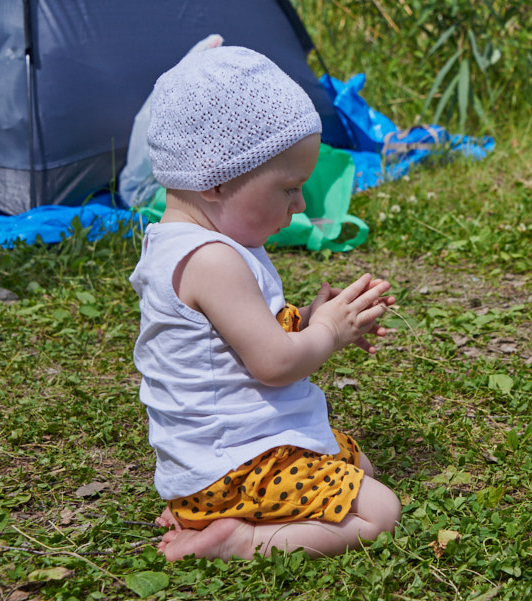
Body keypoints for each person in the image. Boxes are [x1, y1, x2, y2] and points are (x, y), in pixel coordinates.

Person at [129, 46, 401, 562]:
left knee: (358, 466)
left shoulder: (188, 244)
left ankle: (203, 511)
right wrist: (330, 333)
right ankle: (238, 539)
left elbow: (234, 336)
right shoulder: (212, 259)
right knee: (378, 513)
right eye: (289, 188)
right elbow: (274, 363)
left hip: (222, 456)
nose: (301, 205)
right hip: (234, 465)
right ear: (217, 180)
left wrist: (306, 318)